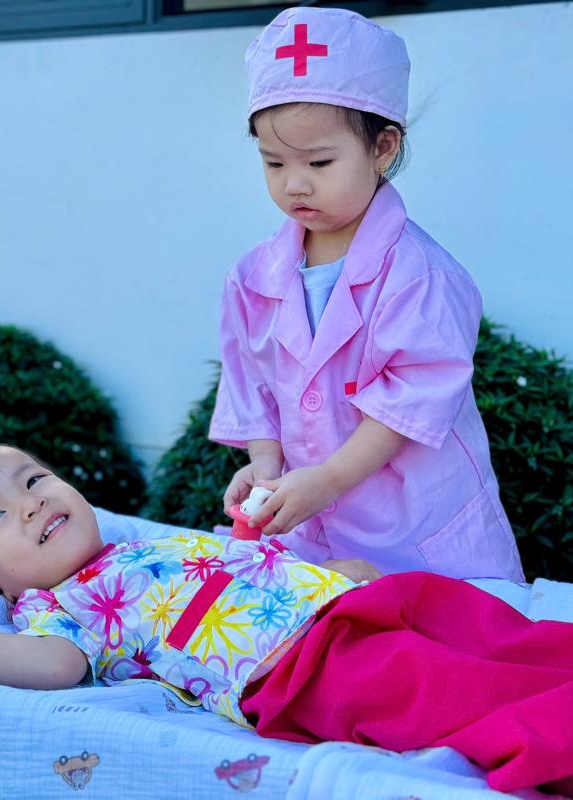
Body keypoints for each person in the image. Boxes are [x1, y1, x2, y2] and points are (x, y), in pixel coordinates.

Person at [0, 441, 573, 800]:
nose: (29, 502)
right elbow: (52, 669)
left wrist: (326, 573)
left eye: (33, 477)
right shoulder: (51, 610)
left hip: (372, 605)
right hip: (309, 672)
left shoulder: (142, 544)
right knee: (494, 704)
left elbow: (252, 565)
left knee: (566, 649)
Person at [209, 7, 522, 580]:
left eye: (319, 162)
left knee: (430, 632)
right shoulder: (253, 276)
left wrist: (328, 480)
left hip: (417, 532)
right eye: (273, 163)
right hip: (311, 530)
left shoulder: (422, 276)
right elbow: (251, 381)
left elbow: (412, 401)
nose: (294, 183)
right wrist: (265, 464)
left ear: (383, 148)